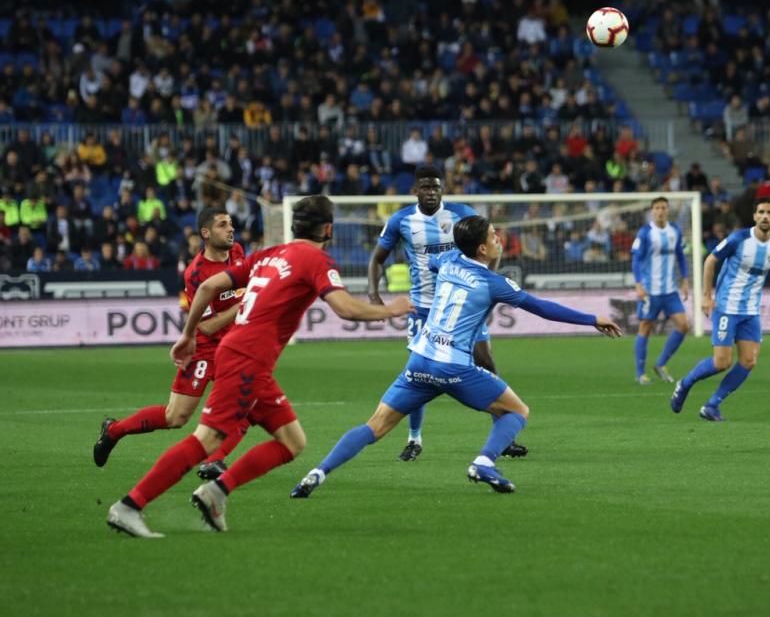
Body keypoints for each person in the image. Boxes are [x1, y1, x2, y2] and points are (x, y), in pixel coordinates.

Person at [105, 196, 412, 537]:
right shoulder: (315, 259)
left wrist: (188, 334)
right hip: (246, 359)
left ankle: (216, 491)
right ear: (328, 229)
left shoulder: (269, 254)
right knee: (205, 440)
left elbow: (209, 286)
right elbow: (346, 309)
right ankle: (130, 506)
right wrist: (393, 308)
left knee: (292, 441)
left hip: (245, 356)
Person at [290, 216, 622, 498]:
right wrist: (593, 319)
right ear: (482, 248)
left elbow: (431, 261)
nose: (498, 238)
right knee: (517, 411)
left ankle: (318, 472)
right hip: (453, 365)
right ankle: (484, 462)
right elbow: (542, 308)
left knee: (375, 426)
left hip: (419, 359)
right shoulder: (494, 283)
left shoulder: (447, 261)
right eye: (493, 235)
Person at [367, 166, 526, 460]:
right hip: (423, 307)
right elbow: (377, 259)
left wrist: (485, 282)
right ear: (416, 190)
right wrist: (374, 293)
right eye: (425, 187)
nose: (431, 193)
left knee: (487, 361)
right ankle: (414, 439)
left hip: (461, 303)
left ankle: (503, 436)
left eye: (436, 188)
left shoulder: (460, 214)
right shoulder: (401, 220)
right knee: (418, 373)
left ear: (443, 189)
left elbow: (489, 247)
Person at [93, 208, 248, 478]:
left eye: (231, 224)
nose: (230, 229)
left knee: (246, 403)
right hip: (205, 348)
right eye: (223, 225)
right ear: (206, 233)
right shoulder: (196, 273)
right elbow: (207, 325)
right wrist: (247, 301)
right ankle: (114, 430)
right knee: (175, 417)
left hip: (235, 349)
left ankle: (214, 459)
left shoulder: (238, 253)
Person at [670, 197, 770, 420]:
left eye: (769, 212)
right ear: (754, 216)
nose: (765, 216)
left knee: (749, 361)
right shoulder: (739, 239)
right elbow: (710, 261)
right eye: (761, 212)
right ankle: (684, 383)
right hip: (726, 307)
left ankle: (712, 405)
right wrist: (706, 296)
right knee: (721, 362)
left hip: (750, 312)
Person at [631, 197, 690, 384]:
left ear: (668, 210)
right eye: (657, 208)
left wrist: (685, 280)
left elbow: (681, 256)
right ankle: (640, 373)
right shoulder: (645, 232)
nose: (660, 211)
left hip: (670, 290)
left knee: (683, 325)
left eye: (663, 207)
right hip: (650, 290)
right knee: (645, 328)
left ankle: (661, 364)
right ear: (651, 211)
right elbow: (636, 260)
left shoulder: (675, 231)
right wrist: (638, 284)